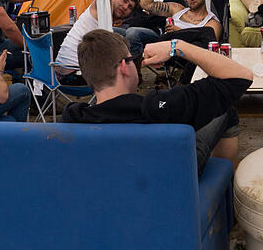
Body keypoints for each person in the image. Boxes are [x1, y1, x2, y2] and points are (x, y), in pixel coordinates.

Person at [62, 29, 252, 173]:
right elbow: (241, 76)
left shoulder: (73, 118)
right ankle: (225, 187)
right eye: (132, 59)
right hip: (172, 175)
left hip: (114, 186)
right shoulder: (161, 108)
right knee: (226, 112)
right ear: (124, 67)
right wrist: (177, 46)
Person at [55, 0, 146, 82]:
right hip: (73, 74)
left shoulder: (106, 18)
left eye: (130, 7)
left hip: (62, 73)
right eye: (124, 0)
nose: (125, 7)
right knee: (124, 73)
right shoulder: (101, 7)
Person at [140, 0, 223, 42]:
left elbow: (209, 44)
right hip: (164, 45)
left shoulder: (212, 22)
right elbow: (145, 3)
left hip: (184, 58)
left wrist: (179, 32)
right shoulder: (177, 9)